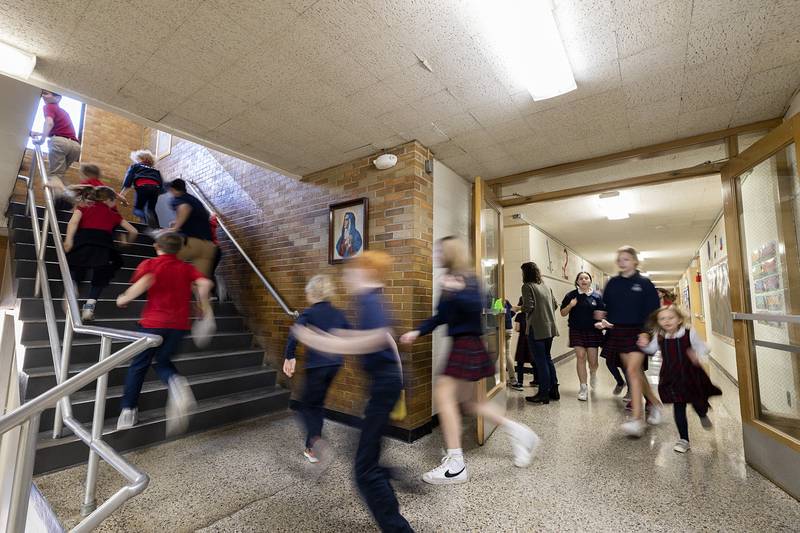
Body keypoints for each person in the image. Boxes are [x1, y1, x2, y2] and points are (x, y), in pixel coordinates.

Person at [401, 237, 539, 485]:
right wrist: (417, 331)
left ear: (451, 253)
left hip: (468, 343)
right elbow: (440, 317)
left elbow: (479, 306)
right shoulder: (449, 280)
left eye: (440, 250)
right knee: (468, 403)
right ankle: (519, 433)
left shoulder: (469, 279)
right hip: (462, 344)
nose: (436, 254)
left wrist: (457, 290)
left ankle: (456, 465)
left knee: (444, 396)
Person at [116, 232, 213, 435]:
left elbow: (145, 282)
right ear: (179, 250)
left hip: (152, 323)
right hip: (178, 326)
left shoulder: (150, 264)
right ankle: (176, 382)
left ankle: (128, 411)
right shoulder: (187, 268)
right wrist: (200, 303)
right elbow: (205, 283)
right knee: (163, 362)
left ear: (156, 246)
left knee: (138, 365)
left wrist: (124, 298)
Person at [596, 246, 663, 437]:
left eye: (626, 259)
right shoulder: (613, 283)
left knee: (632, 371)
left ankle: (637, 420)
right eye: (619, 259)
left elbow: (653, 312)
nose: (621, 262)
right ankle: (656, 405)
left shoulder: (644, 283)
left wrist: (646, 332)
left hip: (639, 332)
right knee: (636, 374)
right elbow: (608, 307)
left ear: (635, 261)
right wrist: (603, 319)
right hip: (619, 332)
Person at [283, 275, 349, 463]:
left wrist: (290, 356)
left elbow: (294, 335)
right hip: (335, 365)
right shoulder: (338, 313)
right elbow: (348, 334)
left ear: (312, 293)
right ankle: (311, 448)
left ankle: (316, 441)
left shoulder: (310, 312)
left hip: (317, 366)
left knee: (304, 406)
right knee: (317, 404)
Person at [639, 305, 721, 453]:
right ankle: (684, 439)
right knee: (679, 406)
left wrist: (698, 355)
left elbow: (704, 347)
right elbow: (651, 350)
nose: (667, 321)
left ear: (679, 320)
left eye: (671, 318)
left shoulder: (689, 333)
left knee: (698, 401)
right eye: (662, 319)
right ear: (658, 322)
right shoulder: (659, 335)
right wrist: (643, 345)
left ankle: (702, 413)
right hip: (672, 377)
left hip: (691, 375)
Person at [63, 186, 138, 321]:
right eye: (114, 201)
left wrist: (69, 240)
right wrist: (127, 242)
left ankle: (74, 286)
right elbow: (134, 231)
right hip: (104, 246)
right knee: (101, 277)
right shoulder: (114, 215)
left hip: (84, 242)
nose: (115, 204)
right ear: (109, 199)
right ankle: (89, 308)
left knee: (78, 268)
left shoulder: (84, 207)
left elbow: (73, 223)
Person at [560, 272, 605, 401]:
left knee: (593, 362)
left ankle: (593, 373)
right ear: (577, 281)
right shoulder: (571, 295)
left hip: (593, 331)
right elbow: (563, 313)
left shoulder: (597, 296)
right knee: (580, 357)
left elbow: (602, 314)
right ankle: (583, 388)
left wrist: (601, 321)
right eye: (581, 278)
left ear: (590, 281)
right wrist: (570, 305)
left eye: (586, 278)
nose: (584, 280)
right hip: (576, 330)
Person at [521, 262, 560, 404]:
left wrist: (517, 308)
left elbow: (528, 307)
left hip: (536, 329)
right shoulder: (546, 286)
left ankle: (543, 393)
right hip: (550, 328)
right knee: (547, 358)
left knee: (540, 361)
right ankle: (554, 389)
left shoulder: (527, 286)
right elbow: (555, 305)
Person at [30, 90, 80, 194]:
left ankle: (63, 194)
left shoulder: (49, 106)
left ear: (58, 98)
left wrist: (41, 140)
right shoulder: (64, 112)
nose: (43, 95)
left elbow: (49, 123)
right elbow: (61, 130)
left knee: (55, 175)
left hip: (60, 143)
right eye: (43, 93)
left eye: (47, 93)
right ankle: (60, 199)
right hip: (75, 147)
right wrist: (40, 133)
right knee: (59, 177)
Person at [167, 179, 217, 277]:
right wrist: (176, 223)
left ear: (173, 189)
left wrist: (175, 228)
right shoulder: (194, 199)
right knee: (200, 282)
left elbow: (185, 208)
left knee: (165, 257)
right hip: (208, 246)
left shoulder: (177, 198)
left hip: (191, 242)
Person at [120, 150, 164, 230]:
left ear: (140, 159)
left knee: (138, 209)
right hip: (155, 188)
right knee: (151, 209)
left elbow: (128, 180)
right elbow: (161, 184)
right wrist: (158, 192)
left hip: (142, 186)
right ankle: (157, 230)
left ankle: (144, 217)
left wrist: (122, 194)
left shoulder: (135, 166)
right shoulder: (156, 170)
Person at [513, 299, 537, 388]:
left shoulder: (519, 315)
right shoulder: (534, 314)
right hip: (532, 339)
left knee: (520, 361)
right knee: (534, 361)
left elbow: (517, 329)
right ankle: (536, 380)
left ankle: (520, 382)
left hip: (522, 340)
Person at [503, 298, 522, 389]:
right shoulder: (505, 300)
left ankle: (493, 380)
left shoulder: (496, 299)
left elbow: (498, 314)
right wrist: (518, 308)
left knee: (495, 355)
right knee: (507, 354)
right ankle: (513, 379)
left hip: (500, 329)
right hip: (508, 329)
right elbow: (509, 313)